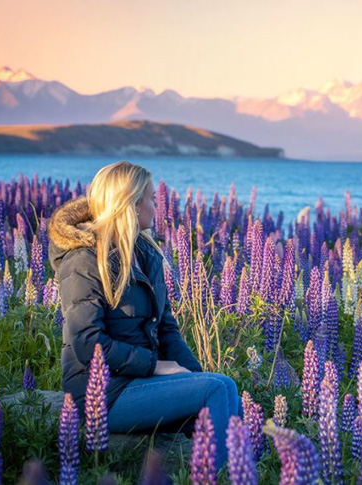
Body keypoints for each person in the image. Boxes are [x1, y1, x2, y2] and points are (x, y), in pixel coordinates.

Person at [47, 161, 242, 471]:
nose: (157, 205)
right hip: (103, 394)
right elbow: (86, 343)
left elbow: (167, 329)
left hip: (139, 383)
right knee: (218, 389)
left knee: (223, 387)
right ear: (131, 205)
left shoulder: (144, 253)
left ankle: (236, 473)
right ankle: (216, 477)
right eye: (151, 198)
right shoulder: (84, 259)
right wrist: (155, 365)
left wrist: (193, 376)